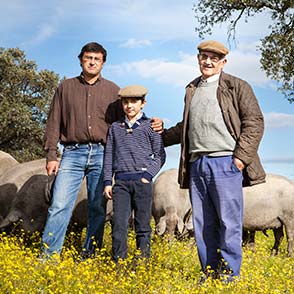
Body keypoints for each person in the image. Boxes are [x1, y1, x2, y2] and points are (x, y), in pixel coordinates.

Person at [163, 40, 265, 282]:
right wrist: (159, 134)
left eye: (214, 58)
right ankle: (210, 272)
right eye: (204, 57)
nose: (208, 62)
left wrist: (240, 159)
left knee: (228, 222)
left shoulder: (236, 86)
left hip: (225, 162)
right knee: (203, 223)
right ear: (198, 59)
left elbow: (254, 122)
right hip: (197, 164)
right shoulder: (192, 89)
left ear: (223, 62)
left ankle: (230, 276)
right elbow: (186, 127)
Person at [41, 42, 124, 258]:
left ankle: (90, 255)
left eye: (97, 59)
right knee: (59, 205)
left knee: (97, 207)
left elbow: (123, 126)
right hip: (72, 152)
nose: (92, 62)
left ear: (103, 63)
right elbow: (53, 122)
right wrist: (51, 154)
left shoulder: (114, 91)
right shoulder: (65, 87)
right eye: (88, 58)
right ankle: (48, 258)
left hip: (102, 153)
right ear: (81, 60)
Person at [103, 85, 166, 262]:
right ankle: (118, 263)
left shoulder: (150, 126)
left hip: (142, 183)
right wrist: (108, 181)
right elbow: (109, 155)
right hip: (121, 183)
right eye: (125, 102)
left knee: (143, 225)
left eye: (134, 102)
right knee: (119, 225)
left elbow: (160, 154)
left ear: (143, 103)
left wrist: (147, 176)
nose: (129, 106)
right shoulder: (115, 128)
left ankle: (143, 263)